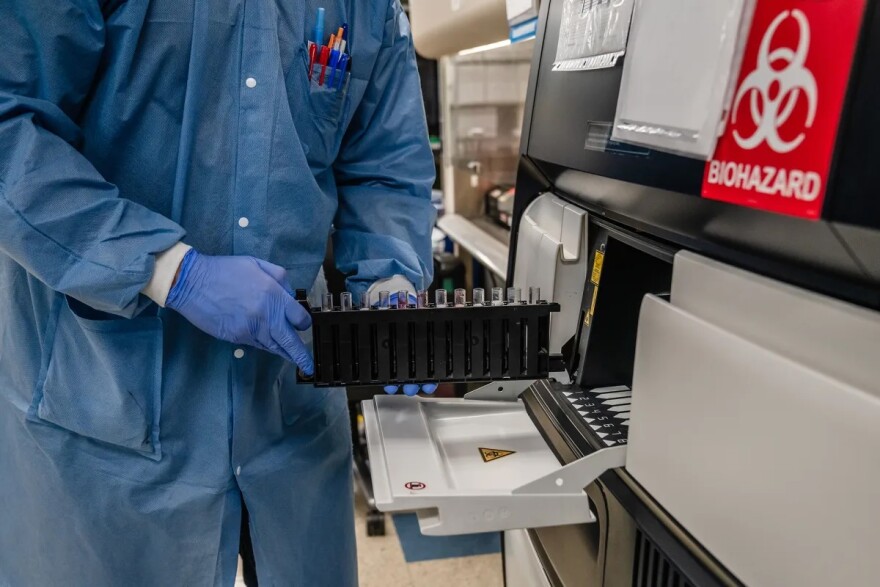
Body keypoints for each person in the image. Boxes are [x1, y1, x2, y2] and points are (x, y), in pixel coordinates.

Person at [0, 1, 436, 585]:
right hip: (104, 422)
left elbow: (384, 165)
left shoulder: (367, 9)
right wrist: (167, 269)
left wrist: (391, 280)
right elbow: (9, 128)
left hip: (288, 413)